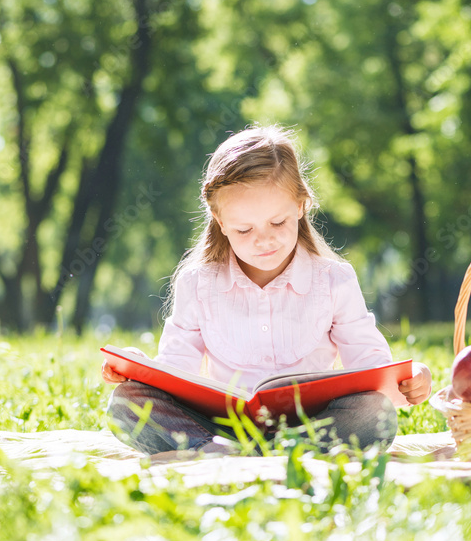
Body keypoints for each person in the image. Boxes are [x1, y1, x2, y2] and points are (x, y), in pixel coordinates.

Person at [102, 126, 432, 456]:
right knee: (126, 405)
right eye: (244, 229)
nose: (264, 239)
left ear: (301, 205)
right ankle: (234, 451)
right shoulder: (198, 282)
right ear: (220, 221)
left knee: (374, 414)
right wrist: (144, 372)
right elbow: (177, 370)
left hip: (311, 423)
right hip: (220, 426)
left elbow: (370, 367)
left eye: (277, 223)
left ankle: (252, 455)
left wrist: (410, 378)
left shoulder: (334, 280)